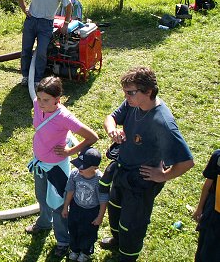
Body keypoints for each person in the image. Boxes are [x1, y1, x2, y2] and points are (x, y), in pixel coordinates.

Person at [100, 66, 194, 262]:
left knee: (132, 223)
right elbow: (111, 118)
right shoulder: (133, 103)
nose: (126, 96)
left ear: (148, 92)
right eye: (125, 92)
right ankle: (118, 241)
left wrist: (163, 175)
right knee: (115, 208)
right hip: (122, 169)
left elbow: (186, 161)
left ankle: (127, 256)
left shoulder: (162, 122)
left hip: (140, 182)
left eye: (130, 92)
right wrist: (112, 130)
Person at [26, 76, 98, 258]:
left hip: (56, 167)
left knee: (59, 205)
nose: (41, 103)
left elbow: (92, 137)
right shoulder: (37, 103)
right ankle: (43, 223)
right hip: (40, 163)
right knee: (41, 196)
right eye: (40, 98)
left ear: (58, 100)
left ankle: (63, 241)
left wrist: (69, 151)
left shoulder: (64, 117)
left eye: (46, 100)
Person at [15, 0, 72, 87]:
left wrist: (66, 24)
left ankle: (37, 79)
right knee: (26, 49)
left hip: (46, 24)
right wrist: (24, 9)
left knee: (41, 52)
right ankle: (25, 76)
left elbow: (69, 5)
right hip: (31, 20)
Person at [62, 147, 108, 262]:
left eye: (83, 166)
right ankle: (75, 249)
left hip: (91, 212)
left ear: (95, 168)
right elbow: (70, 190)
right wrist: (65, 207)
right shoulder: (75, 174)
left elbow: (103, 199)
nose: (79, 168)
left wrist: (100, 216)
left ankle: (85, 252)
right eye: (78, 164)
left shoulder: (99, 179)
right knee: (73, 229)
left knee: (88, 232)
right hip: (76, 207)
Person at [192, 149, 220, 262]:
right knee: (206, 251)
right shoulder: (218, 157)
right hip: (214, 213)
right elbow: (208, 184)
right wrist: (199, 208)